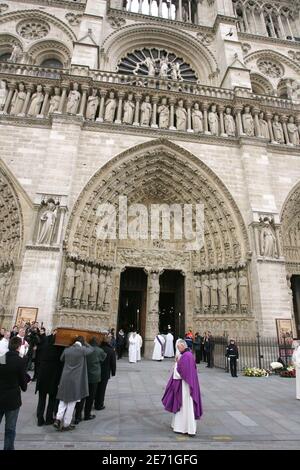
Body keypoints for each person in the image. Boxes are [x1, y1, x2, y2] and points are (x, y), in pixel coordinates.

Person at [162, 340, 203, 436]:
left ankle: (185, 428)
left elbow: (180, 373)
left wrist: (176, 363)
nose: (178, 349)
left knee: (185, 406)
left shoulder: (186, 356)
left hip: (185, 386)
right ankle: (181, 426)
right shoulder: (187, 355)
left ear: (183, 346)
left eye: (179, 347)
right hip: (186, 385)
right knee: (184, 406)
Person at [54, 337, 93, 431]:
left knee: (63, 399)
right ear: (81, 343)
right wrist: (86, 343)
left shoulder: (67, 350)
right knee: (72, 402)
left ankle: (58, 419)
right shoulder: (82, 350)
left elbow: (61, 359)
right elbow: (91, 350)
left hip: (65, 377)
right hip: (76, 379)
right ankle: (66, 424)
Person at [0, 336, 30, 450]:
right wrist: (26, 381)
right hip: (12, 400)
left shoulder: (1, 358)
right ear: (18, 347)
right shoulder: (19, 361)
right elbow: (23, 384)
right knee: (10, 429)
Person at [35, 331, 64, 426]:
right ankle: (48, 418)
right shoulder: (60, 346)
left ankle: (40, 418)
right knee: (52, 398)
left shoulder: (45, 342)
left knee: (42, 398)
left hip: (43, 374)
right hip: (54, 376)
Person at [75, 337, 106, 423]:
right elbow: (103, 358)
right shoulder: (99, 350)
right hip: (94, 376)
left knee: (81, 396)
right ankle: (87, 414)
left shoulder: (83, 350)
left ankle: (77, 416)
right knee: (90, 397)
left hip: (84, 375)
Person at [94, 334, 116, 410]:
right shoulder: (110, 350)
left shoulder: (98, 348)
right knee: (102, 389)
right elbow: (113, 363)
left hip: (96, 370)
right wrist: (113, 372)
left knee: (95, 388)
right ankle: (99, 404)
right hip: (105, 372)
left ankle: (93, 402)